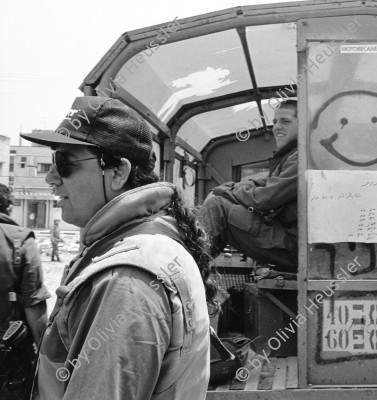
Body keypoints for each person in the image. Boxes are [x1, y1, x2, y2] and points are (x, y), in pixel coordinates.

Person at [20, 96, 216, 400]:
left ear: (118, 172)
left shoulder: (126, 278)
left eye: (64, 162)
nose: (51, 177)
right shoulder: (142, 245)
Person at [199, 100, 298, 271]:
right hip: (289, 241)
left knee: (218, 206)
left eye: (285, 121)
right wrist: (229, 188)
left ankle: (187, 270)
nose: (277, 127)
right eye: (274, 122)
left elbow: (265, 198)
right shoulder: (290, 157)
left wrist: (225, 192)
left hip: (293, 246)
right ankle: (197, 265)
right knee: (214, 205)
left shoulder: (301, 158)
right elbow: (263, 183)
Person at [0, 183, 49, 399]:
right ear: (9, 208)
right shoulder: (20, 240)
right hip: (9, 355)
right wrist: (45, 352)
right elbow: (33, 304)